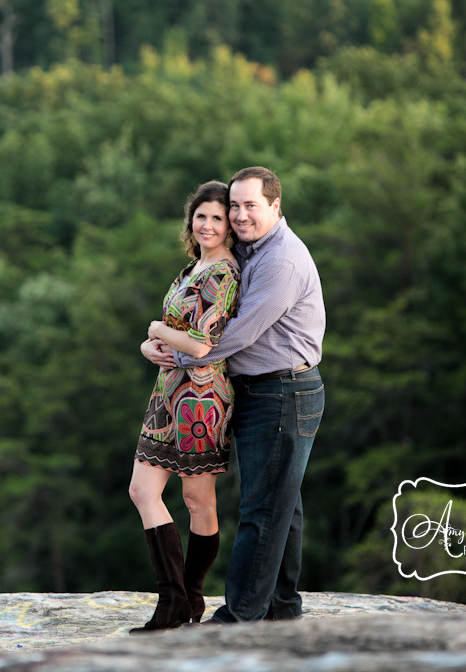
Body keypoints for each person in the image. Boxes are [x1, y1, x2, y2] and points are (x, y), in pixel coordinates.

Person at [140, 166, 325, 624]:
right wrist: (153, 345)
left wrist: (172, 352)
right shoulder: (248, 248)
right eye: (235, 207)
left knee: (263, 508)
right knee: (285, 505)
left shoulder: (281, 260)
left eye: (250, 207)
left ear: (275, 206)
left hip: (283, 390)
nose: (240, 216)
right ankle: (282, 607)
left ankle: (240, 617)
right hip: (260, 389)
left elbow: (234, 336)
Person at [128, 180, 241, 633]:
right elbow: (172, 335)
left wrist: (156, 327)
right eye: (201, 216)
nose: (208, 225)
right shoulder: (193, 268)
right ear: (190, 221)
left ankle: (186, 597)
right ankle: (175, 598)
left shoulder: (225, 275)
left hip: (202, 397)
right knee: (143, 489)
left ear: (229, 225)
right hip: (167, 391)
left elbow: (200, 344)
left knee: (198, 501)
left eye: (217, 218)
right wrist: (147, 343)